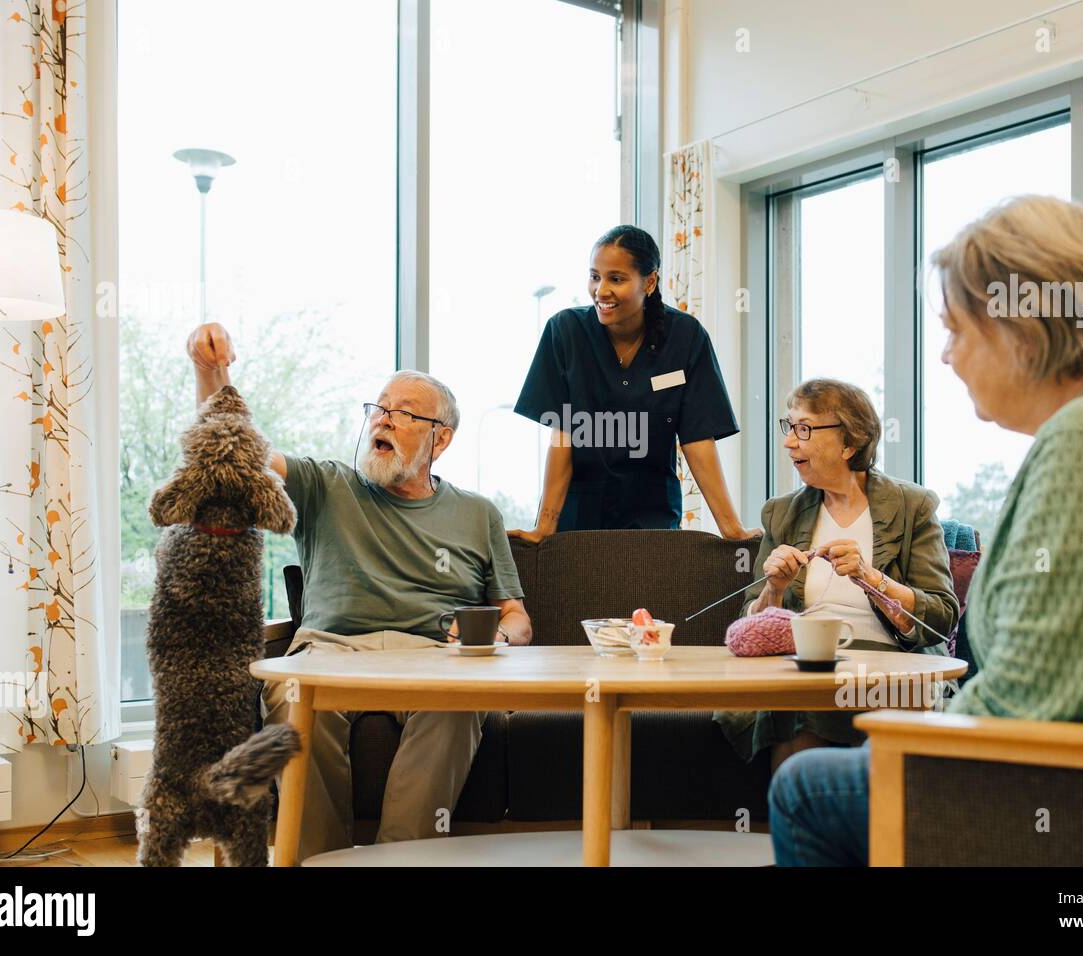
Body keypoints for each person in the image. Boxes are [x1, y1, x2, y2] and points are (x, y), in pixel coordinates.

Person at [768, 195, 1083, 866]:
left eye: (956, 330)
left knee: (805, 790)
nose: (945, 356)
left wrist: (903, 737)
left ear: (1019, 327)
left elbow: (1031, 694)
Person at [186, 321, 533, 857]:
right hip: (329, 652)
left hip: (434, 657)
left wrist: (496, 641)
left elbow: (515, 615)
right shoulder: (326, 485)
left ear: (440, 438)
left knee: (461, 702)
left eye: (405, 413)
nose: (384, 418)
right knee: (295, 697)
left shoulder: (477, 513)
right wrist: (212, 372)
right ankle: (317, 860)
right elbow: (237, 451)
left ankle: (401, 859)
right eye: (379, 408)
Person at [715, 379, 958, 769]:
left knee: (817, 712)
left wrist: (872, 578)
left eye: (804, 429)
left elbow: (940, 618)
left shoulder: (914, 506)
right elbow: (751, 631)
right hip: (808, 669)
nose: (789, 442)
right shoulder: (782, 512)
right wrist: (774, 592)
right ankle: (807, 818)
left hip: (890, 669)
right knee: (799, 714)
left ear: (850, 443)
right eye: (789, 426)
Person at [511, 225, 756, 540]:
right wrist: (544, 526)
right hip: (579, 517)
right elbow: (563, 438)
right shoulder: (566, 332)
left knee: (649, 588)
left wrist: (731, 528)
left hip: (652, 517)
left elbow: (697, 440)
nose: (601, 290)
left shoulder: (685, 337)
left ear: (649, 281)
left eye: (616, 278)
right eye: (594, 276)